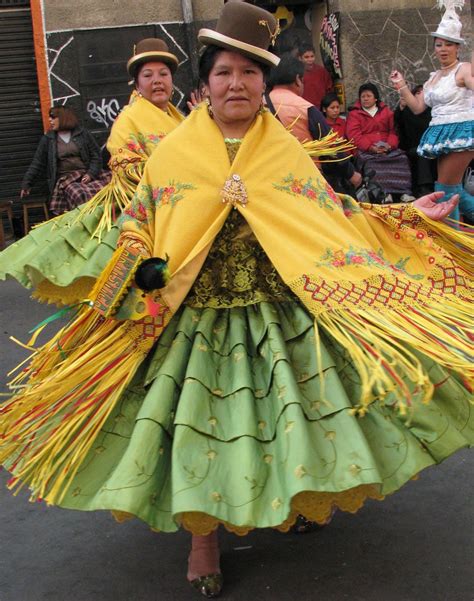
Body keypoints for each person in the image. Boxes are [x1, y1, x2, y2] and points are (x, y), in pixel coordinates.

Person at [0, 3, 472, 600]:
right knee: (201, 430)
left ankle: (299, 492)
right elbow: (139, 217)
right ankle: (203, 540)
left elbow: (332, 214)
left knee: (293, 416)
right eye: (224, 72)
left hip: (281, 306)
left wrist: (405, 214)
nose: (237, 84)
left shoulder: (283, 150)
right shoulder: (173, 152)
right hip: (191, 312)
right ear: (205, 84)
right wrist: (138, 266)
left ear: (263, 83)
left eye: (249, 73)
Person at [0, 38, 184, 306]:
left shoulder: (179, 117)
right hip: (148, 212)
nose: (157, 81)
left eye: (163, 74)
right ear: (137, 82)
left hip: (182, 209)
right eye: (148, 75)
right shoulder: (128, 119)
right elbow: (127, 170)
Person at [390, 0, 473, 223]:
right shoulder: (433, 77)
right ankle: (455, 240)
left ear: (458, 48)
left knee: (443, 188)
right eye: (439, 45)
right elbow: (417, 107)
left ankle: (453, 241)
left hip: (462, 131)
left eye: (449, 44)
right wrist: (402, 85)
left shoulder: (464, 69)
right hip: (440, 132)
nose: (443, 49)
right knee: (453, 190)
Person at [266, 54, 362, 193]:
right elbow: (331, 147)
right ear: (298, 79)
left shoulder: (259, 104)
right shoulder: (304, 108)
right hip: (305, 179)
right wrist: (351, 174)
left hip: (269, 179)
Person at [21, 105, 110, 215]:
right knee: (79, 193)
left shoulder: (83, 134)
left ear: (63, 118)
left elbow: (96, 156)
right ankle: (86, 221)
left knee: (107, 188)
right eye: (49, 117)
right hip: (67, 180)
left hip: (86, 175)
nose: (50, 120)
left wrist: (91, 174)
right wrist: (27, 184)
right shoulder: (48, 140)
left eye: (53, 117)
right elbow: (37, 163)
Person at [346, 82, 414, 201]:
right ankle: (383, 194)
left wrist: (389, 146)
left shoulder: (386, 112)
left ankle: (403, 193)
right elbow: (354, 135)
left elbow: (393, 131)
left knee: (402, 159)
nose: (365, 99)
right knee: (372, 164)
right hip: (366, 151)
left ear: (375, 98)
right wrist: (370, 148)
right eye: (363, 96)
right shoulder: (354, 114)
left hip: (387, 148)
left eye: (368, 96)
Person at [394, 85, 437, 197]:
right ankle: (424, 188)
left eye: (423, 92)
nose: (420, 95)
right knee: (422, 152)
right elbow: (399, 125)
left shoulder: (433, 112)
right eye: (417, 93)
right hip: (413, 147)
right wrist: (402, 108)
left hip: (433, 145)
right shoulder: (407, 111)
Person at [298, 42, 334, 109]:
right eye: (306, 57)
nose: (310, 60)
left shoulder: (322, 71)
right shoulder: (297, 73)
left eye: (312, 56)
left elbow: (330, 91)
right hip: (303, 109)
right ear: (300, 58)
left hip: (321, 109)